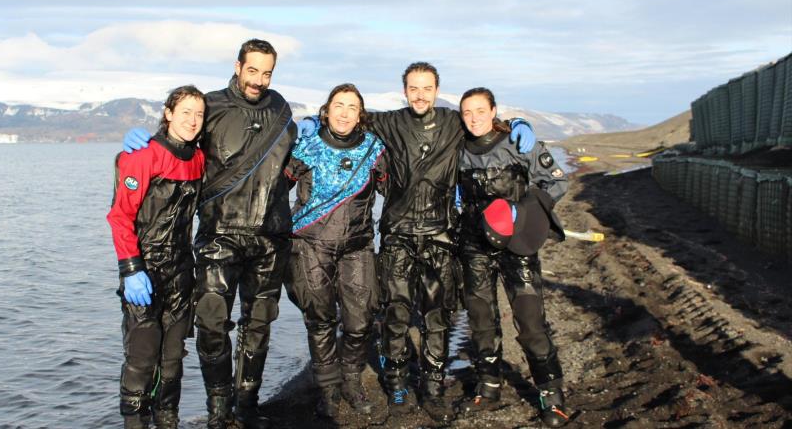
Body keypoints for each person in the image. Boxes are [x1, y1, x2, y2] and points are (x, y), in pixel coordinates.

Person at [301, 63, 536, 422]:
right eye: (414, 88)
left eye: (427, 87)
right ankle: (396, 383)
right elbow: (348, 121)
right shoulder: (390, 122)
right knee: (395, 314)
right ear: (405, 90)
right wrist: (312, 125)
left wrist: (517, 123)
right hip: (397, 232)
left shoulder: (452, 121)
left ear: (437, 89)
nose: (421, 94)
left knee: (436, 317)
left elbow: (483, 123)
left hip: (441, 233)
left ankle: (433, 386)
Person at [123, 39, 299, 429]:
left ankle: (248, 404)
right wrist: (144, 141)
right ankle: (219, 409)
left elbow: (291, 162)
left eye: (266, 72)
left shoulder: (283, 110)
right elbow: (178, 146)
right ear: (238, 66)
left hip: (271, 237)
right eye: (252, 70)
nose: (258, 79)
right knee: (212, 324)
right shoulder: (211, 106)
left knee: (259, 325)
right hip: (220, 234)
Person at [456, 87, 570, 427]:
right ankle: (489, 386)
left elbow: (556, 182)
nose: (474, 118)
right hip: (474, 244)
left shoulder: (520, 144)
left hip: (517, 246)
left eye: (480, 110)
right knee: (480, 319)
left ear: (493, 111)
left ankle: (552, 395)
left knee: (530, 318)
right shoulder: (456, 148)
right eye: (467, 112)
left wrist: (523, 214)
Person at [283, 84, 386, 421]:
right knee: (321, 319)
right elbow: (269, 185)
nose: (344, 113)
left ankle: (352, 379)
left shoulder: (375, 149)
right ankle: (328, 387)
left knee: (359, 321)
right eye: (338, 105)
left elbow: (400, 189)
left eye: (351, 107)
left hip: (357, 246)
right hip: (311, 245)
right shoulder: (306, 146)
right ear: (325, 111)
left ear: (361, 115)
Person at [107, 85, 207, 429]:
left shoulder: (198, 158)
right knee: (141, 359)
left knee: (173, 360)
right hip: (145, 271)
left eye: (199, 114)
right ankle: (135, 424)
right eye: (185, 113)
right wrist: (131, 269)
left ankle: (168, 421)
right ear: (167, 113)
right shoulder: (143, 154)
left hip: (182, 271)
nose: (193, 121)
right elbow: (119, 216)